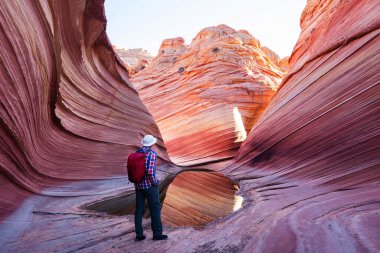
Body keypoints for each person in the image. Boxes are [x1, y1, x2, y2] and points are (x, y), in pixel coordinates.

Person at [134, 135, 168, 241]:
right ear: (152, 144)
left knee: (139, 209)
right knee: (155, 209)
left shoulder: (136, 153)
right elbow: (150, 171)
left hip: (138, 185)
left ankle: (139, 234)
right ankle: (157, 234)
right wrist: (155, 182)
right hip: (149, 186)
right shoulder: (151, 153)